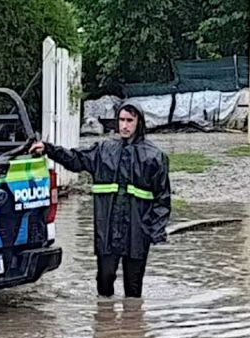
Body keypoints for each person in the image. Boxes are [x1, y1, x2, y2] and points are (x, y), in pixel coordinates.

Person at [30, 103, 171, 298]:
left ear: (139, 123)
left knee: (133, 287)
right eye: (121, 120)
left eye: (130, 121)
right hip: (107, 230)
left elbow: (163, 198)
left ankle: (131, 326)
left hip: (138, 231)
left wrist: (156, 231)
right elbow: (75, 159)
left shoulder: (154, 156)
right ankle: (105, 322)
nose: (125, 125)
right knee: (104, 280)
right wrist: (48, 149)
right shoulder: (104, 150)